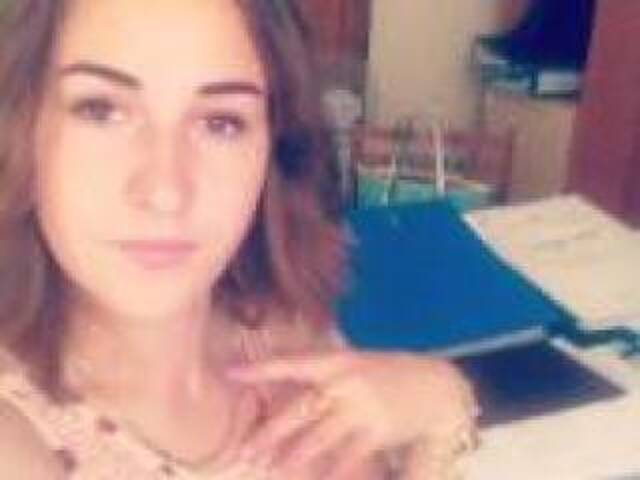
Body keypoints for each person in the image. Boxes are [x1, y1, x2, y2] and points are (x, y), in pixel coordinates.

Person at [0, 0, 478, 478]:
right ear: (20, 126)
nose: (165, 191)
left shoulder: (283, 331)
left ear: (273, 152)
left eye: (221, 122)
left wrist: (441, 405)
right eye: (101, 110)